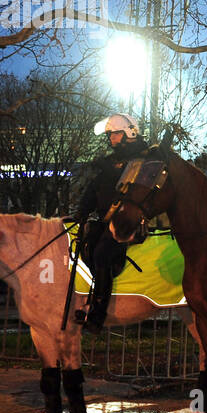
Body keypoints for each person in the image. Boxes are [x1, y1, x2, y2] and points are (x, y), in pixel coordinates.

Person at [72, 113, 150, 334]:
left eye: (114, 134)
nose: (111, 139)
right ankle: (89, 300)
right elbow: (93, 190)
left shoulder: (144, 158)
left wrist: (109, 168)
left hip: (128, 222)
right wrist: (82, 211)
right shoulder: (110, 161)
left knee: (102, 255)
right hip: (107, 221)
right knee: (88, 246)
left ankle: (97, 315)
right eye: (110, 135)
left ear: (129, 133)